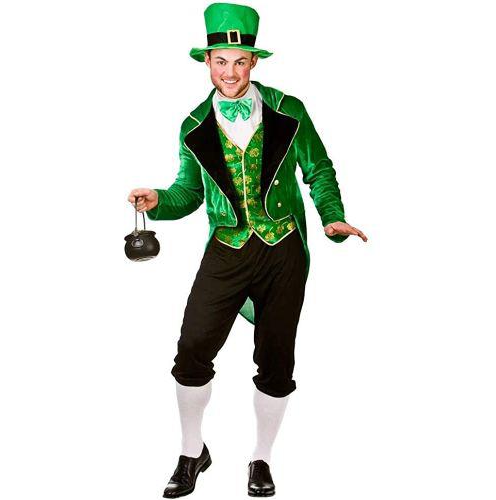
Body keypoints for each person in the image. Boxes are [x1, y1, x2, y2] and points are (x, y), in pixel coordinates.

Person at [127, 2, 367, 497]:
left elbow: (319, 169)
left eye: (240, 61)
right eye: (221, 61)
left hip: (283, 250)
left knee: (276, 360)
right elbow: (189, 193)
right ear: (207, 61)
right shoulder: (193, 125)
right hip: (227, 248)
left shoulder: (288, 110)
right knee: (192, 350)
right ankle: (192, 452)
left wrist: (332, 216)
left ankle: (261, 458)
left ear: (254, 61)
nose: (231, 72)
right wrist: (158, 201)